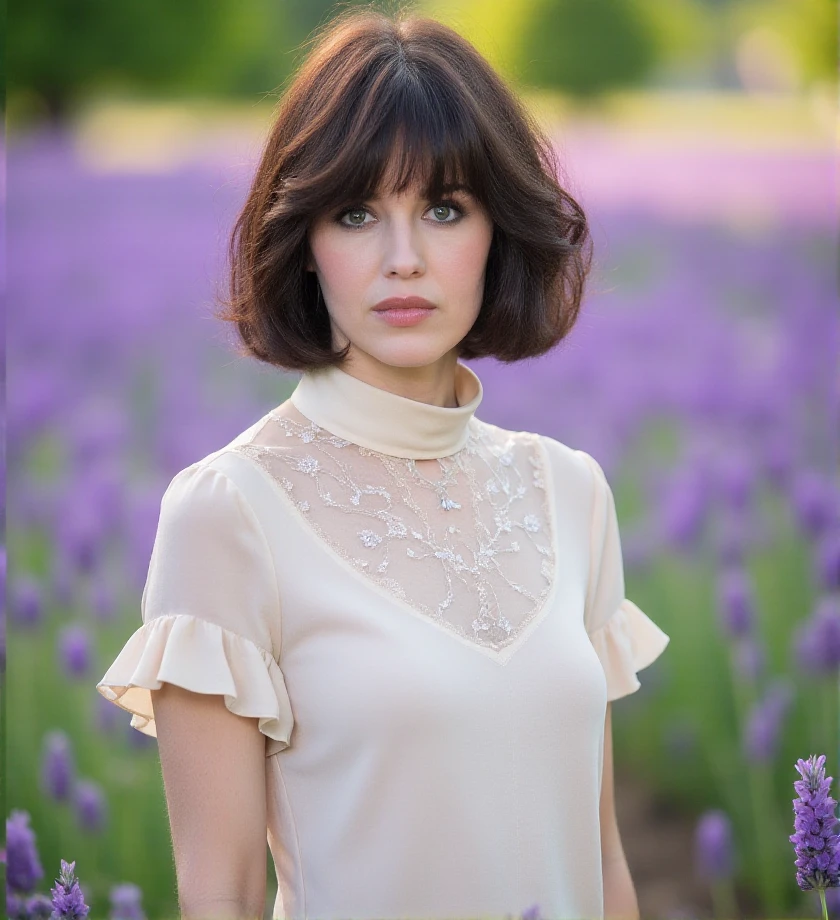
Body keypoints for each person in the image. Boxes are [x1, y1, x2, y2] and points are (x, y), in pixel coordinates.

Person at [96, 7, 670, 920]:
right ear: (307, 247)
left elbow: (601, 867)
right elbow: (225, 897)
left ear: (497, 231)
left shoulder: (570, 492)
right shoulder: (230, 512)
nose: (404, 260)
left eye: (444, 209)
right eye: (358, 213)